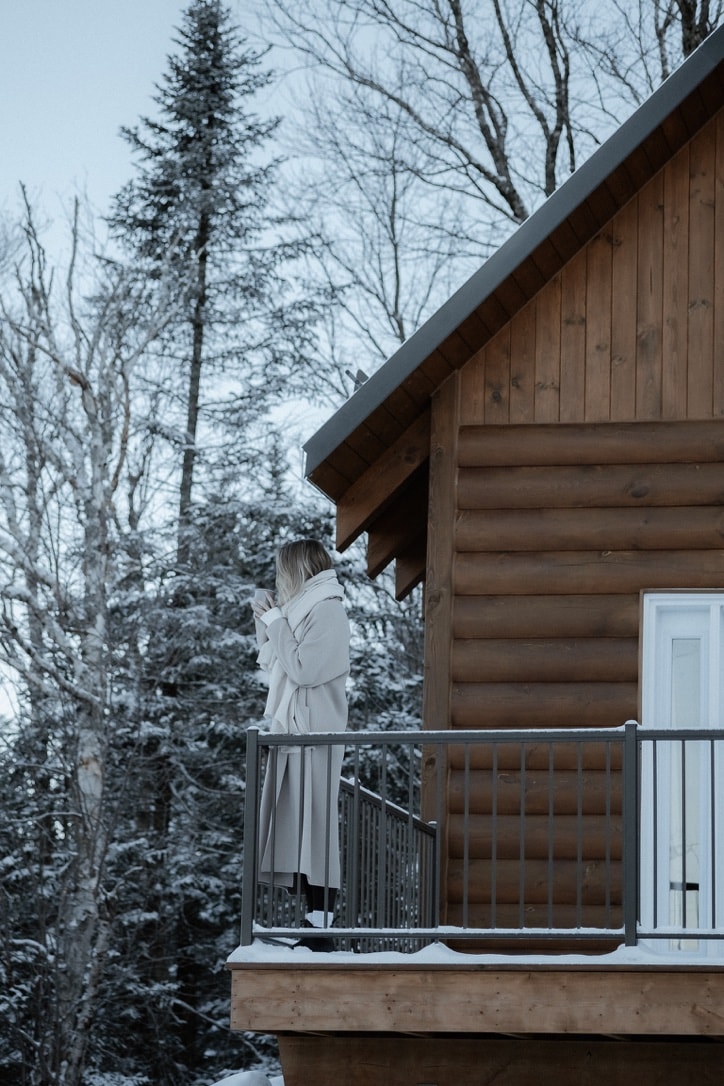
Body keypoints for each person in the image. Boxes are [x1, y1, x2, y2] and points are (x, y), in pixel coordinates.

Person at [252, 539, 350, 951]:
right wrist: (266, 617)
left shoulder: (327, 608)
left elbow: (304, 670)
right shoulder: (302, 610)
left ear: (299, 569)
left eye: (283, 570)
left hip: (315, 732)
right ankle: (312, 923)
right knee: (297, 827)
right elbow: (272, 658)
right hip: (296, 732)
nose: (280, 578)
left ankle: (321, 928)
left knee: (316, 828)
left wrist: (276, 621)